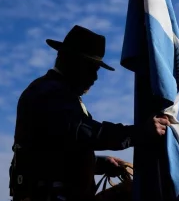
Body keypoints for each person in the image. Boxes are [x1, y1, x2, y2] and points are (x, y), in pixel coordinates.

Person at [9, 25, 170, 201]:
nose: (95, 78)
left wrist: (98, 163)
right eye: (91, 68)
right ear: (70, 61)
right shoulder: (50, 93)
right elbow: (86, 133)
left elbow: (58, 151)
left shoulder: (51, 91)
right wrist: (140, 132)